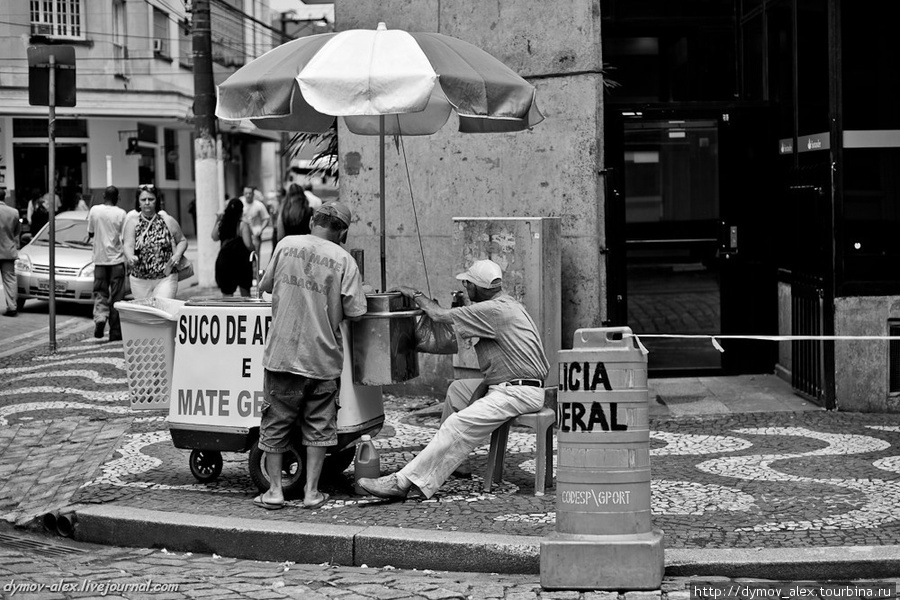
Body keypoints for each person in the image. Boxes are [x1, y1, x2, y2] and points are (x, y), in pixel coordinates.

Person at [356, 259, 550, 500]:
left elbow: (438, 315)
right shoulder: (508, 304)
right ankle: (455, 462)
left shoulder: (492, 310)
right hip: (519, 384)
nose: (465, 289)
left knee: (455, 424)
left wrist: (414, 293)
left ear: (478, 287)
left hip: (516, 392)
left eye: (467, 284)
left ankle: (402, 482)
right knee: (458, 390)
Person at [254, 201, 367, 511]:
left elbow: (265, 287)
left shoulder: (286, 244)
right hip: (323, 359)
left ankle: (275, 491)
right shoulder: (345, 261)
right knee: (320, 426)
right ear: (342, 232)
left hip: (282, 354)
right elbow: (356, 313)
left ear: (313, 220)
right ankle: (311, 493)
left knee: (275, 423)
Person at [123, 185, 188, 299]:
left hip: (166, 278)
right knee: (145, 314)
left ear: (157, 201)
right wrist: (130, 256)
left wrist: (178, 254)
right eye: (143, 200)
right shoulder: (132, 223)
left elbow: (182, 240)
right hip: (140, 280)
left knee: (163, 308)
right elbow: (128, 244)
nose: (147, 202)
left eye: (151, 199)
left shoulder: (167, 220)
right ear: (138, 203)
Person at [87, 186, 127, 341]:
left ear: (103, 195)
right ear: (118, 198)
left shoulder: (94, 211)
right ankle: (115, 332)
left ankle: (101, 318)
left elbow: (90, 233)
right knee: (117, 297)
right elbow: (124, 237)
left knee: (100, 292)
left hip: (100, 261)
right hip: (117, 261)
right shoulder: (121, 213)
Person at [212, 198, 254, 297]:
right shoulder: (242, 225)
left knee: (227, 295)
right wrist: (254, 249)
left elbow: (214, 237)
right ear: (241, 211)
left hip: (224, 262)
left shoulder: (221, 223)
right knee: (245, 294)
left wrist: (217, 220)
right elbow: (248, 244)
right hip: (241, 263)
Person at [0, 190, 21, 317]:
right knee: (9, 280)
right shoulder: (14, 212)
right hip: (8, 251)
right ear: (5, 197)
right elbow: (17, 231)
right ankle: (12, 307)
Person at [241, 186, 270, 259]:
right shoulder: (240, 203)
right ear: (243, 194)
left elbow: (266, 218)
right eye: (246, 193)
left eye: (250, 193)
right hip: (242, 235)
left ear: (253, 194)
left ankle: (255, 270)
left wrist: (261, 229)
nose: (248, 195)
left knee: (255, 256)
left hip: (255, 235)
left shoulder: (259, 205)